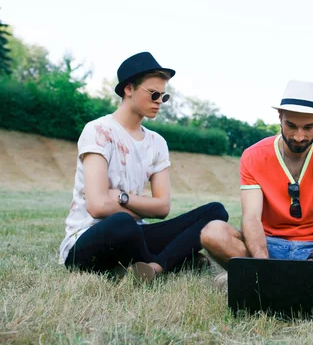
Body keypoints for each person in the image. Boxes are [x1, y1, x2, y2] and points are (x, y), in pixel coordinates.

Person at [59, 51, 229, 281]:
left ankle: (155, 266)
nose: (159, 101)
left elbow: (162, 208)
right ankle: (174, 259)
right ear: (129, 89)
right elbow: (97, 207)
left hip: (137, 232)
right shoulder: (98, 131)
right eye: (154, 94)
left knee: (215, 211)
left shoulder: (157, 143)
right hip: (90, 239)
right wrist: (140, 208)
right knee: (123, 223)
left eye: (163, 96)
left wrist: (121, 197)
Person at [201, 80, 313, 284]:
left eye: (308, 127)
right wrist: (262, 261)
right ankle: (275, 276)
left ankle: (275, 278)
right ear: (280, 117)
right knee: (213, 232)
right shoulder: (254, 156)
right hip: (266, 245)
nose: (298, 137)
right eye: (291, 126)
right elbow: (251, 218)